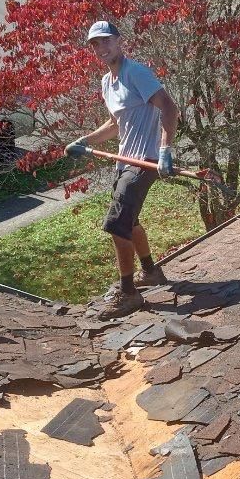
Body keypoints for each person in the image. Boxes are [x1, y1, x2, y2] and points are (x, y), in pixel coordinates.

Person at [68, 21, 180, 319]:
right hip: (125, 160)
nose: (101, 48)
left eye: (106, 41)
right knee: (129, 222)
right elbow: (116, 124)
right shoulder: (108, 82)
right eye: (95, 44)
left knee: (117, 224)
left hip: (144, 161)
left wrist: (166, 149)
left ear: (119, 42)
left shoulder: (136, 73)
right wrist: (84, 140)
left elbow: (169, 107)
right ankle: (151, 272)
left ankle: (128, 292)